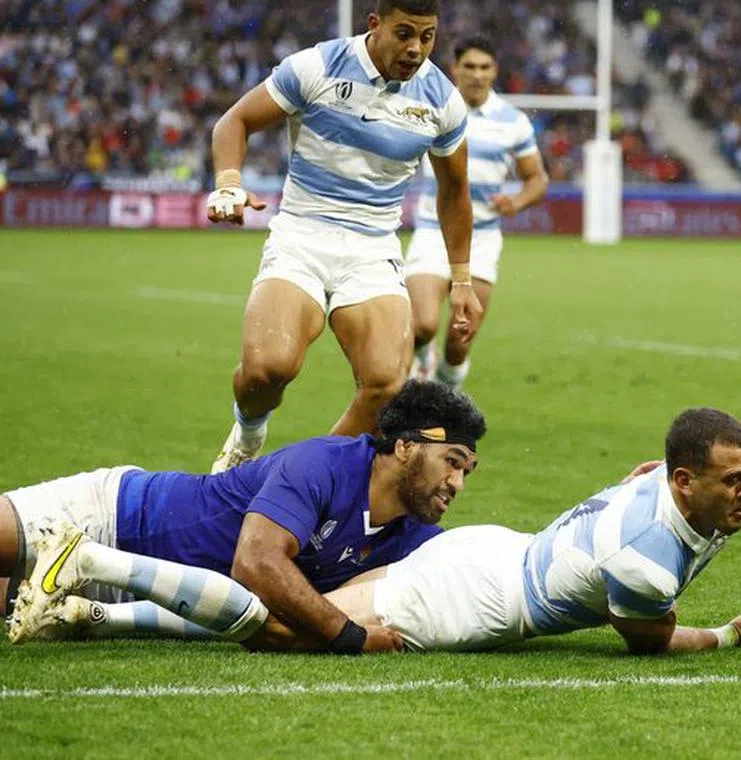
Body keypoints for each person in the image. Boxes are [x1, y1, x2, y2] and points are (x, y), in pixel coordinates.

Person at [17, 409, 741, 656]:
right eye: (735, 485)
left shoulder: (691, 486)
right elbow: (652, 643)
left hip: (497, 550)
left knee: (288, 622)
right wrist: (728, 633)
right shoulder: (647, 561)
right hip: (472, 597)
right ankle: (95, 566)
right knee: (287, 627)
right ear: (686, 480)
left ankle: (88, 616)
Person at [3, 381, 485, 655]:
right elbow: (254, 563)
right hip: (115, 517)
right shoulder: (324, 464)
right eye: (452, 461)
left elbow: (465, 583)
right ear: (404, 447)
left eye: (467, 470)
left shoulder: (416, 537)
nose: (458, 483)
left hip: (133, 598)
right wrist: (352, 637)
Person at [205, 0, 483, 473]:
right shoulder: (318, 66)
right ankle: (247, 439)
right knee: (266, 369)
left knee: (386, 388)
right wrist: (229, 182)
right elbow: (235, 121)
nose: (416, 49)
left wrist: (461, 281)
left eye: (428, 36)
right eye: (405, 34)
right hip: (302, 235)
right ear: (375, 25)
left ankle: (296, 477)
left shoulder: (442, 100)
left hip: (372, 247)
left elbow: (455, 193)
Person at [405, 35, 549, 388]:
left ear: (495, 71)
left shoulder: (512, 121)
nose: (477, 74)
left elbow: (537, 178)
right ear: (455, 69)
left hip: (482, 237)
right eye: (469, 66)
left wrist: (515, 202)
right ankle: (423, 356)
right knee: (422, 324)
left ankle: (444, 395)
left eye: (485, 67)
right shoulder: (434, 107)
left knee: (459, 341)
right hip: (432, 231)